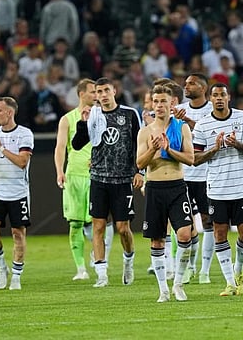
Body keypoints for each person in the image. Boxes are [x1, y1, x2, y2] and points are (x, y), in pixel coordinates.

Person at [72, 77, 144, 288]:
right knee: (98, 226)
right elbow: (77, 145)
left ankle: (128, 261)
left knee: (123, 228)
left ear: (114, 91)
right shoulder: (93, 115)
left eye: (105, 90)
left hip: (122, 180)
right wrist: (83, 124)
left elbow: (137, 144)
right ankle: (101, 273)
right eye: (98, 91)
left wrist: (139, 171)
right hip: (98, 178)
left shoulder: (129, 114)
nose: (102, 95)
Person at [193, 82, 243, 296]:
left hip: (241, 188)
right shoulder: (202, 125)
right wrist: (215, 148)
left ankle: (238, 268)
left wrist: (237, 144)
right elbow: (195, 159)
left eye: (222, 94)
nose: (219, 98)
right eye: (215, 95)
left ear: (229, 97)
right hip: (217, 189)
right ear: (210, 99)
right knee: (219, 233)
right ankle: (230, 283)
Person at [136, 84, 194, 302]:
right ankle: (163, 290)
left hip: (177, 187)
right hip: (155, 189)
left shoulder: (181, 128)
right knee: (157, 240)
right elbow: (140, 163)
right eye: (156, 101)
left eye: (163, 101)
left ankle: (178, 283)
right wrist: (153, 148)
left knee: (185, 235)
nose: (159, 105)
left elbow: (190, 159)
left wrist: (168, 149)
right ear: (151, 104)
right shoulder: (145, 132)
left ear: (172, 103)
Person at [54, 78, 113, 280]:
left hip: (98, 176)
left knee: (99, 223)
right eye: (92, 92)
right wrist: (59, 171)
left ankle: (97, 256)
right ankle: (81, 269)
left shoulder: (102, 116)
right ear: (81, 94)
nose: (97, 96)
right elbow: (60, 147)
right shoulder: (67, 119)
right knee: (75, 224)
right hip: (75, 176)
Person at [0, 97, 33, 291]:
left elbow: (22, 162)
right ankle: (2, 268)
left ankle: (16, 276)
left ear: (10, 113)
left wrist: (1, 148)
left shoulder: (24, 134)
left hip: (18, 193)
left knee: (18, 234)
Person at [174, 73, 214, 284]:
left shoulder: (211, 111)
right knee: (186, 224)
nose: (186, 86)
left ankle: (205, 271)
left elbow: (209, 136)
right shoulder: (180, 109)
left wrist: (189, 122)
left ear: (203, 88)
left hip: (206, 175)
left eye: (191, 84)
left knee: (209, 221)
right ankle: (189, 266)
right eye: (186, 83)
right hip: (184, 175)